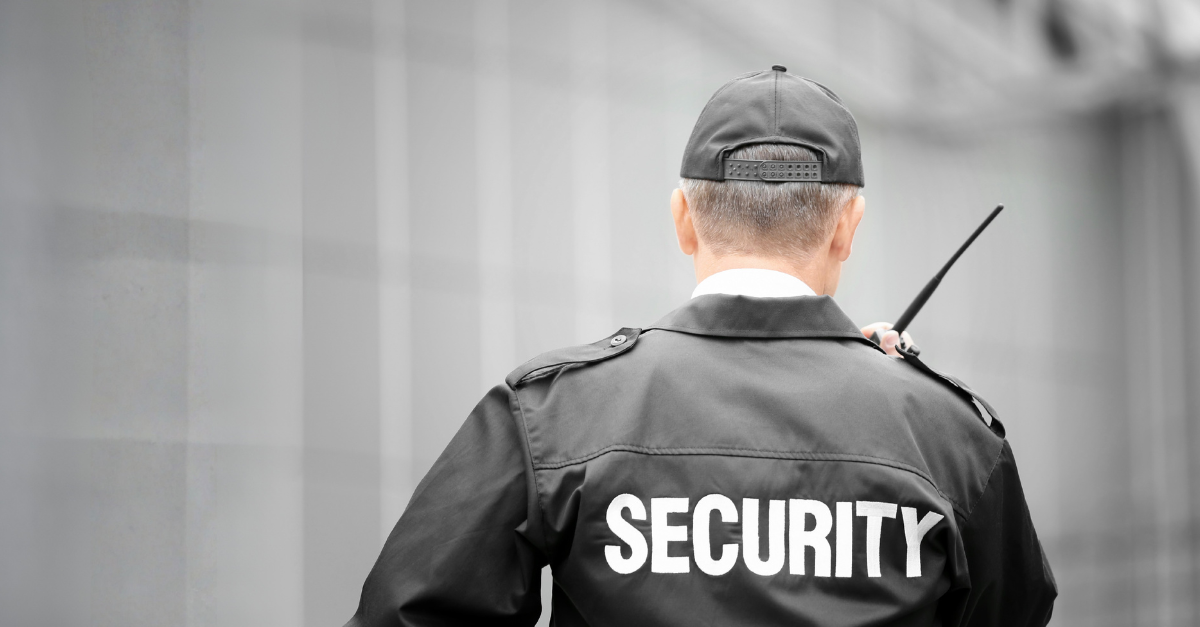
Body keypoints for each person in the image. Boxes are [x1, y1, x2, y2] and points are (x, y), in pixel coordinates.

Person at [345, 65, 1056, 627]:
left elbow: (408, 612)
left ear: (684, 218)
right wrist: (901, 409)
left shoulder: (552, 416)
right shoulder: (954, 442)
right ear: (847, 227)